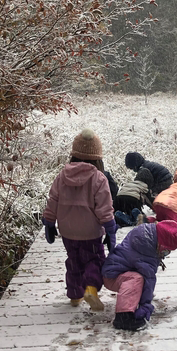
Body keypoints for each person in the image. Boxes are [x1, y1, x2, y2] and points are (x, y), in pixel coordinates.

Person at [42, 129, 118, 311]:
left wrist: (49, 223)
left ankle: (75, 295)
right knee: (95, 260)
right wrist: (110, 228)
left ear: (74, 155)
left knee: (74, 260)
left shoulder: (61, 176)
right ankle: (90, 288)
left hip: (67, 231)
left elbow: (53, 200)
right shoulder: (99, 178)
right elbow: (104, 207)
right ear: (97, 158)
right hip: (90, 232)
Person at [102, 220, 177, 331]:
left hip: (119, 272)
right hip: (112, 277)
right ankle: (123, 317)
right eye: (166, 251)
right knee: (137, 279)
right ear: (160, 244)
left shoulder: (144, 241)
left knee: (138, 278)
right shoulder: (145, 254)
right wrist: (145, 306)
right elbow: (149, 281)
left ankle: (132, 302)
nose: (165, 255)